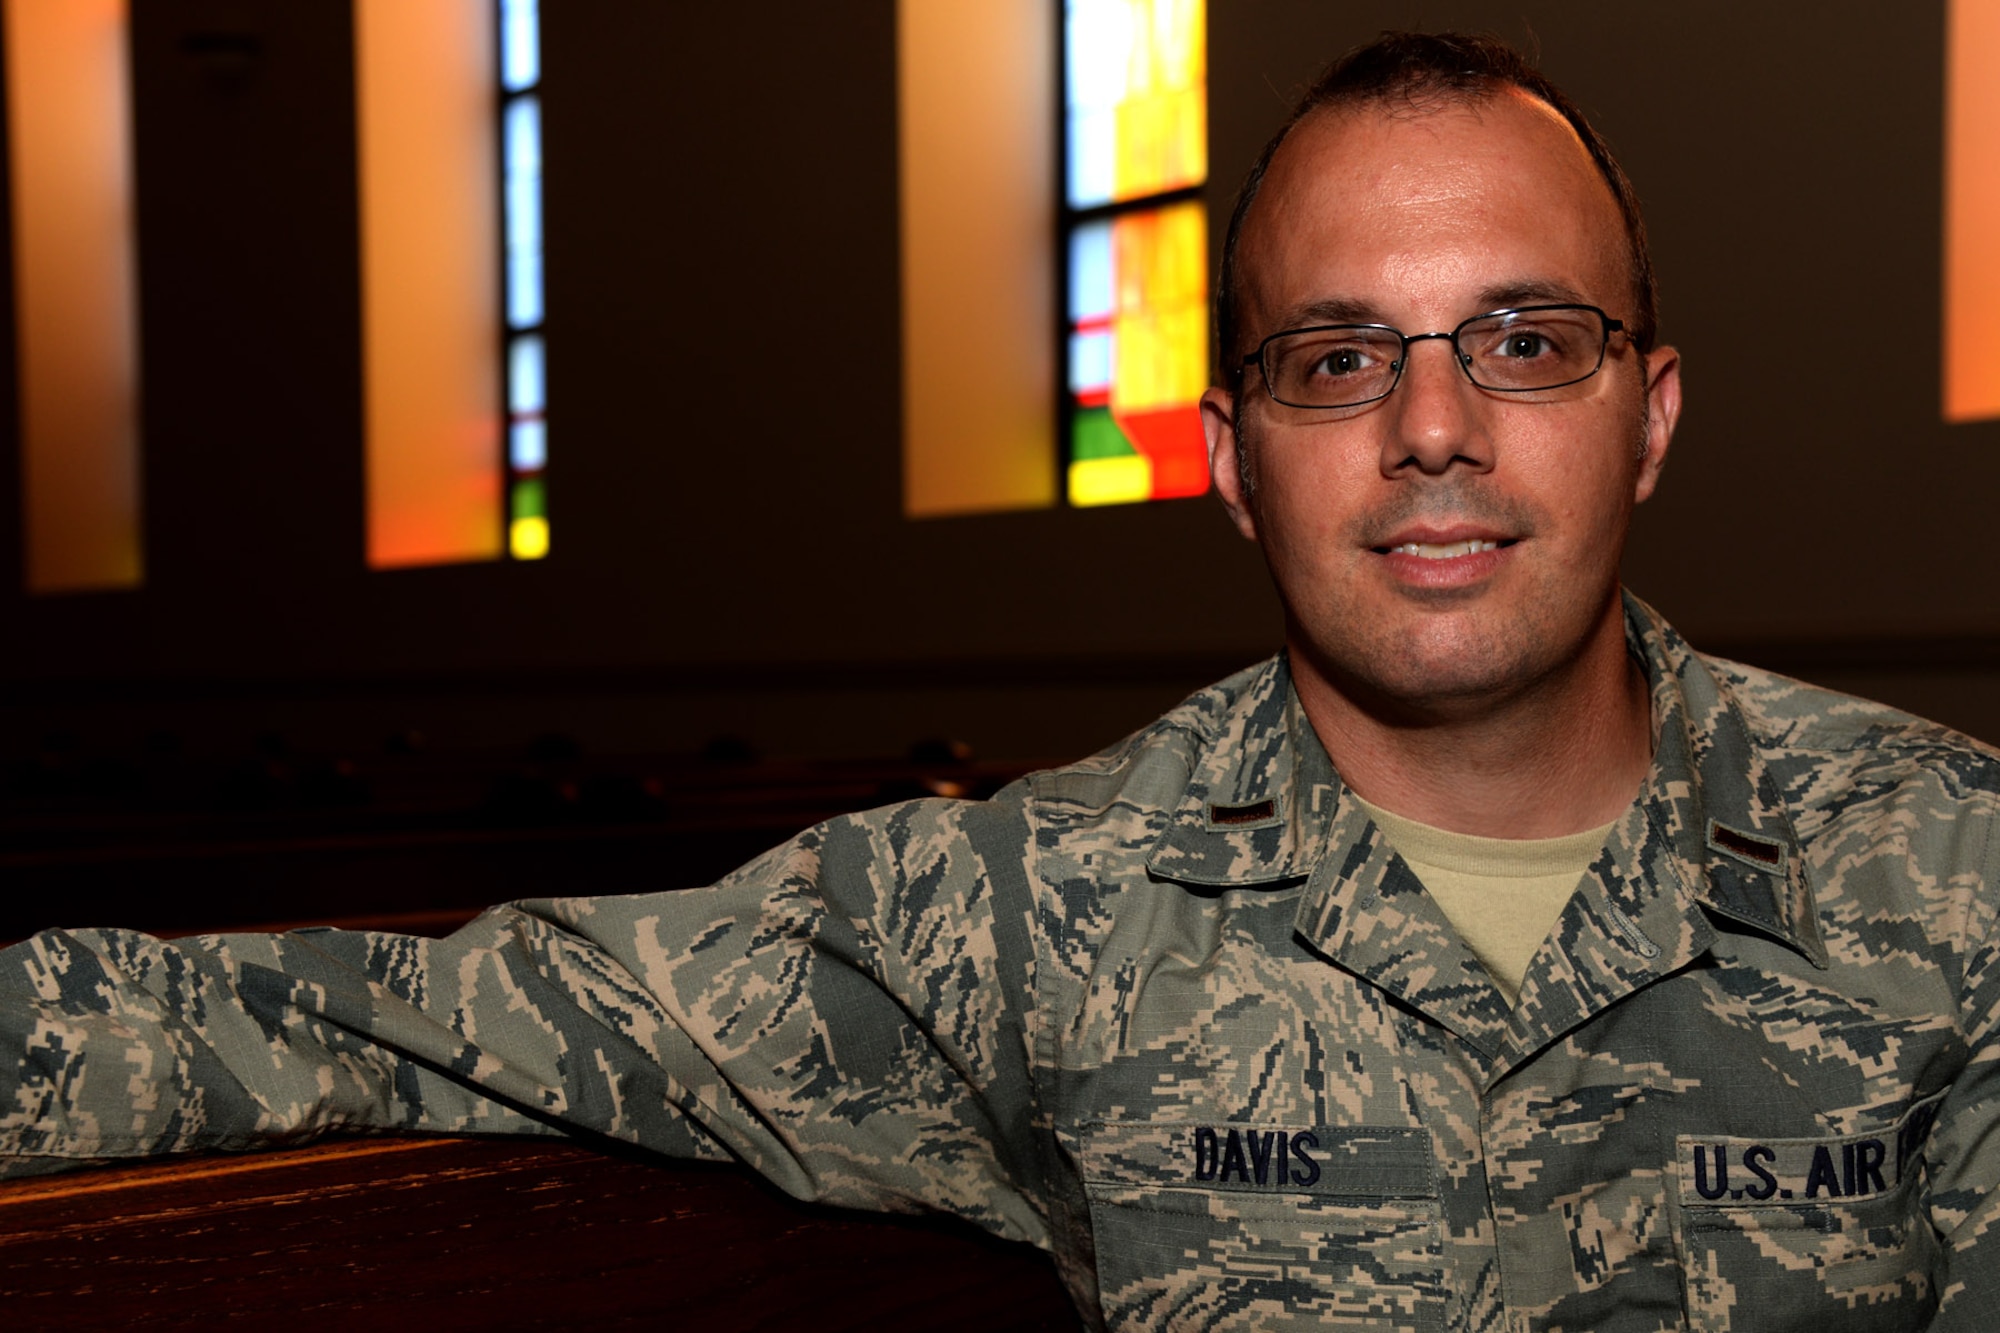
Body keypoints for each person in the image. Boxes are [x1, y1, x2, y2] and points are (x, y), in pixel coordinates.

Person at [4, 30, 1997, 1332]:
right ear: (1230, 462)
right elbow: (397, 1016)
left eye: (1522, 341)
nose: (1431, 431)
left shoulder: (1947, 875)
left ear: (1645, 418)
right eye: (1333, 359)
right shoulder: (1039, 911)